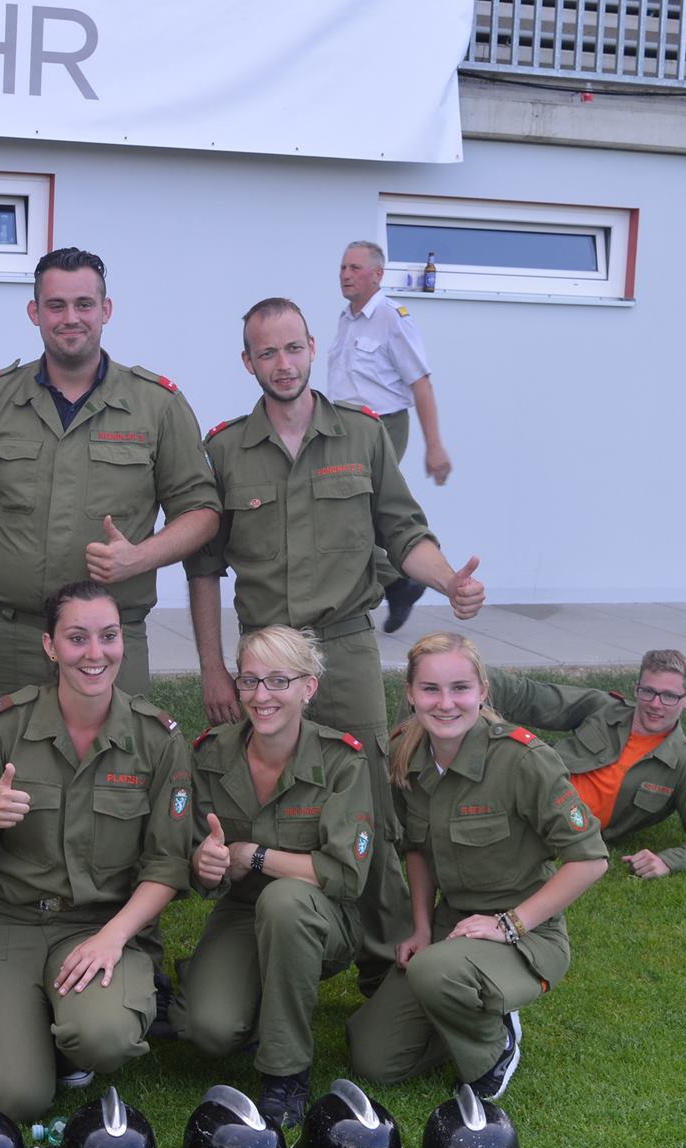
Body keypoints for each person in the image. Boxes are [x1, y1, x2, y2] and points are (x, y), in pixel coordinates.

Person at [188, 295, 484, 1000]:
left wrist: (448, 580)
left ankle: (385, 962)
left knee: (373, 796)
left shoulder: (362, 434)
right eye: (267, 352)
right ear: (247, 361)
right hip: (265, 658)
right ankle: (279, 932)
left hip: (344, 647)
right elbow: (203, 567)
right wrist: (213, 669)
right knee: (270, 791)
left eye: (293, 348)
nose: (283, 363)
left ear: (314, 347)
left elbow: (403, 531)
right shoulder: (225, 450)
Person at [0, 581, 193, 1121]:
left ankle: (61, 1035)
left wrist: (113, 938)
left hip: (100, 924)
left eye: (108, 636)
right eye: (77, 638)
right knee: (16, 1098)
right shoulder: (4, 726)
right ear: (50, 646)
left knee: (102, 1036)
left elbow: (167, 864)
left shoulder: (158, 739)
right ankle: (6, 1022)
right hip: (8, 921)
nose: (94, 653)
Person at [0, 247, 220, 703]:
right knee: (7, 746)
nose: (70, 318)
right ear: (34, 312)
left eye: (84, 304)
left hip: (110, 637)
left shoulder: (157, 405)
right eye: (56, 305)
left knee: (115, 748)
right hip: (10, 637)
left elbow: (202, 511)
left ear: (105, 310)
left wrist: (140, 557)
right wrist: (9, 547)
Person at [347, 633, 609, 1100]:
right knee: (375, 1058)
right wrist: (421, 928)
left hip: (526, 933)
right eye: (430, 689)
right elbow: (416, 848)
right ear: (410, 694)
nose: (445, 703)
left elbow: (590, 860)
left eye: (460, 688)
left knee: (434, 973)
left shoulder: (523, 760)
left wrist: (509, 924)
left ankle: (496, 1046)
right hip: (452, 926)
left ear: (483, 691)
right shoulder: (406, 753)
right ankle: (462, 1005)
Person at [172, 627, 376, 1129]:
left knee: (284, 903)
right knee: (209, 1030)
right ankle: (244, 990)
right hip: (243, 911)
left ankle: (287, 1072)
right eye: (250, 680)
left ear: (308, 687)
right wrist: (205, 863)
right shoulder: (211, 754)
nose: (261, 696)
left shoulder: (341, 761)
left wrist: (254, 854)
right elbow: (193, 854)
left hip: (320, 914)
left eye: (279, 681)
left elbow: (345, 875)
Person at [485, 651, 686, 878]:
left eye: (669, 696)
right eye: (647, 691)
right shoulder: (604, 709)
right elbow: (526, 696)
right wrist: (469, 668)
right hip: (517, 787)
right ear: (636, 688)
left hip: (554, 827)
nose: (655, 704)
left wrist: (667, 861)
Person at [328, 241, 455, 632]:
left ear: (378, 274)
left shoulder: (392, 318)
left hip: (381, 427)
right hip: (341, 429)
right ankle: (400, 582)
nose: (345, 275)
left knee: (348, 513)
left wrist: (434, 446)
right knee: (341, 513)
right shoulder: (346, 319)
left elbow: (421, 383)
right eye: (343, 267)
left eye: (355, 268)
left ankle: (402, 577)